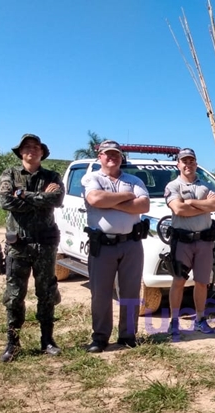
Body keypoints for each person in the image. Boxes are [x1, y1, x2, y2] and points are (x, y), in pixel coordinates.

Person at [0, 133, 65, 362]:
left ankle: (47, 340)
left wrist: (23, 195)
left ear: (42, 152)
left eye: (36, 147)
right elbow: (5, 201)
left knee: (46, 293)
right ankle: (12, 343)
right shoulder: (10, 174)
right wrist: (39, 197)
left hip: (45, 244)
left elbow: (56, 200)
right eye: (27, 147)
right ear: (21, 152)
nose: (31, 150)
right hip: (19, 245)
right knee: (14, 295)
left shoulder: (52, 176)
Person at [83, 140, 150, 352]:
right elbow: (95, 198)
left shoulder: (134, 179)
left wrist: (110, 201)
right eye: (107, 154)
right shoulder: (92, 177)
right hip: (102, 244)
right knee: (101, 293)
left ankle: (128, 336)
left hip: (131, 244)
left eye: (116, 154)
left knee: (130, 292)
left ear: (121, 157)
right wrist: (127, 197)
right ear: (100, 157)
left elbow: (144, 205)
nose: (112, 157)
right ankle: (100, 338)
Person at [165, 148, 215, 337]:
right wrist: (203, 206)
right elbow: (179, 209)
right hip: (182, 241)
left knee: (202, 282)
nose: (188, 164)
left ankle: (199, 319)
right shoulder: (173, 186)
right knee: (179, 281)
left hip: (204, 241)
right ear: (178, 164)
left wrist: (190, 203)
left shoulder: (205, 186)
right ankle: (174, 321)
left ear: (196, 163)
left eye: (191, 161)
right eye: (184, 161)